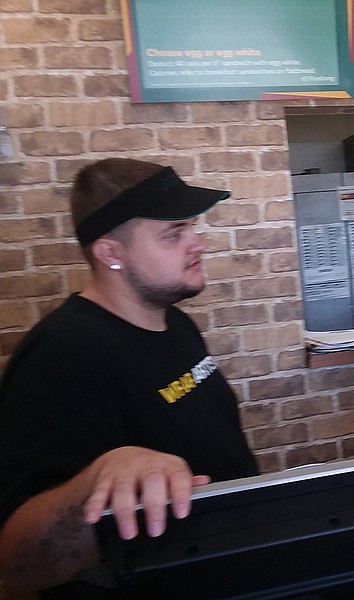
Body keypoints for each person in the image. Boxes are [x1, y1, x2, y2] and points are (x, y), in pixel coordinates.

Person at [0, 159, 258, 597]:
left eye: (192, 228)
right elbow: (17, 563)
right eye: (174, 234)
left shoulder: (175, 324)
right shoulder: (63, 356)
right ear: (110, 253)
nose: (197, 244)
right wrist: (95, 478)